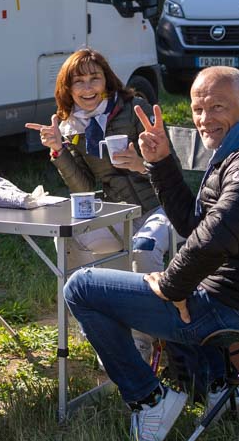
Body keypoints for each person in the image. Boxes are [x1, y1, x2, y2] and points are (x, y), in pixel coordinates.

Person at [62, 66, 239, 441]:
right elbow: (194, 224)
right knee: (158, 280)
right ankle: (217, 388)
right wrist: (161, 162)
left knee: (82, 288)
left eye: (218, 107)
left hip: (236, 309)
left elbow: (215, 237)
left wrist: (171, 284)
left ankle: (149, 399)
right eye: (197, 109)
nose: (205, 119)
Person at [26, 48, 172, 361]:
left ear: (106, 80)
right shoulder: (71, 126)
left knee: (144, 251)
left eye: (95, 78)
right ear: (68, 89)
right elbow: (84, 187)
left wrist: (140, 165)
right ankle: (95, 323)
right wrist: (58, 150)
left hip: (159, 208)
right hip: (117, 212)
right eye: (79, 82)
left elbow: (172, 166)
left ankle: (144, 344)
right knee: (66, 240)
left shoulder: (135, 109)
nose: (88, 88)